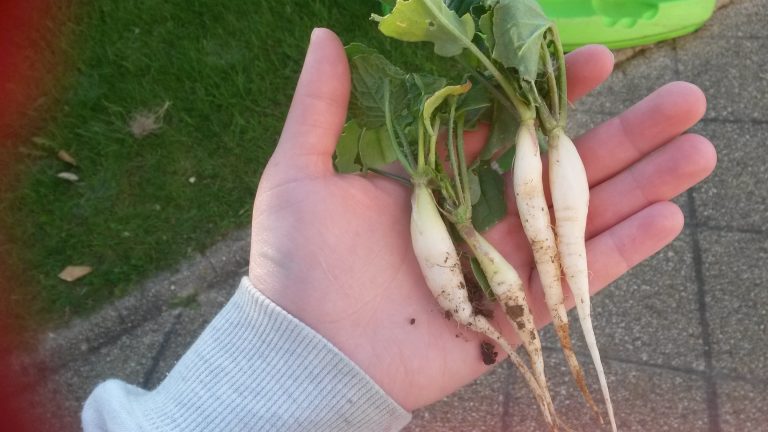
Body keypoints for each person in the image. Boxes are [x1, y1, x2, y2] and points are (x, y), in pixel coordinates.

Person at [81, 28, 716, 431]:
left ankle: (572, 379)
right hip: (441, 234)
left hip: (495, 185)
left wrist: (285, 364)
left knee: (559, 256)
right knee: (541, 279)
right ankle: (560, 388)